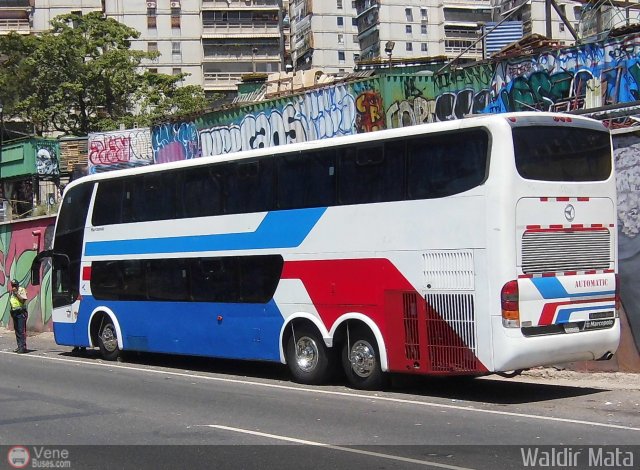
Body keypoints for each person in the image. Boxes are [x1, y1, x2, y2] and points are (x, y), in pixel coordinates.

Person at [9, 279, 28, 353]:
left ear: (17, 285)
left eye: (15, 285)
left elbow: (23, 301)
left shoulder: (21, 290)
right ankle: (19, 346)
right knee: (17, 331)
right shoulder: (11, 292)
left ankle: (23, 347)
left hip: (21, 312)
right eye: (13, 285)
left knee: (21, 330)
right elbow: (12, 302)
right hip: (14, 312)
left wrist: (16, 293)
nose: (14, 287)